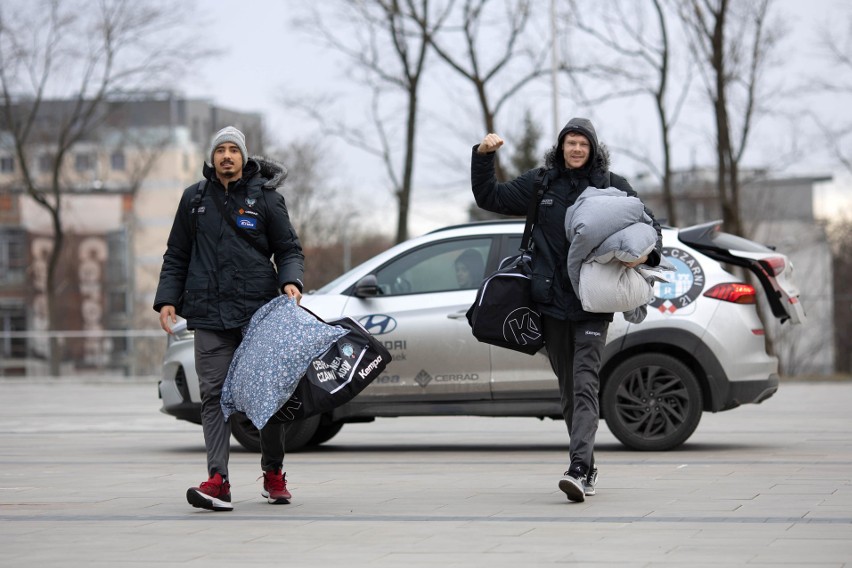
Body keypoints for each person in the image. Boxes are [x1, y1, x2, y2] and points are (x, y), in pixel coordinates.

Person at [470, 118, 662, 503]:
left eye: (583, 144)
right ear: (561, 147)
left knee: (586, 381)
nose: (576, 149)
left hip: (593, 302)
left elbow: (650, 224)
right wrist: (482, 157)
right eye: (570, 143)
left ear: (593, 149)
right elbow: (489, 197)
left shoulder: (611, 187)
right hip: (550, 302)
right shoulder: (541, 183)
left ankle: (576, 467)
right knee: (570, 389)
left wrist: (642, 255)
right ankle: (586, 464)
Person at [154, 126, 305, 511]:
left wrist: (290, 281)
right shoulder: (194, 200)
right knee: (213, 397)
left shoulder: (267, 200)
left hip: (257, 314)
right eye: (220, 150)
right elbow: (176, 254)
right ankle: (218, 481)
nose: (226, 156)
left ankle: (273, 473)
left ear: (243, 157)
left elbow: (288, 249)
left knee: (265, 396)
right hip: (208, 314)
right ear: (212, 157)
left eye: (232, 150)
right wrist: (167, 300)